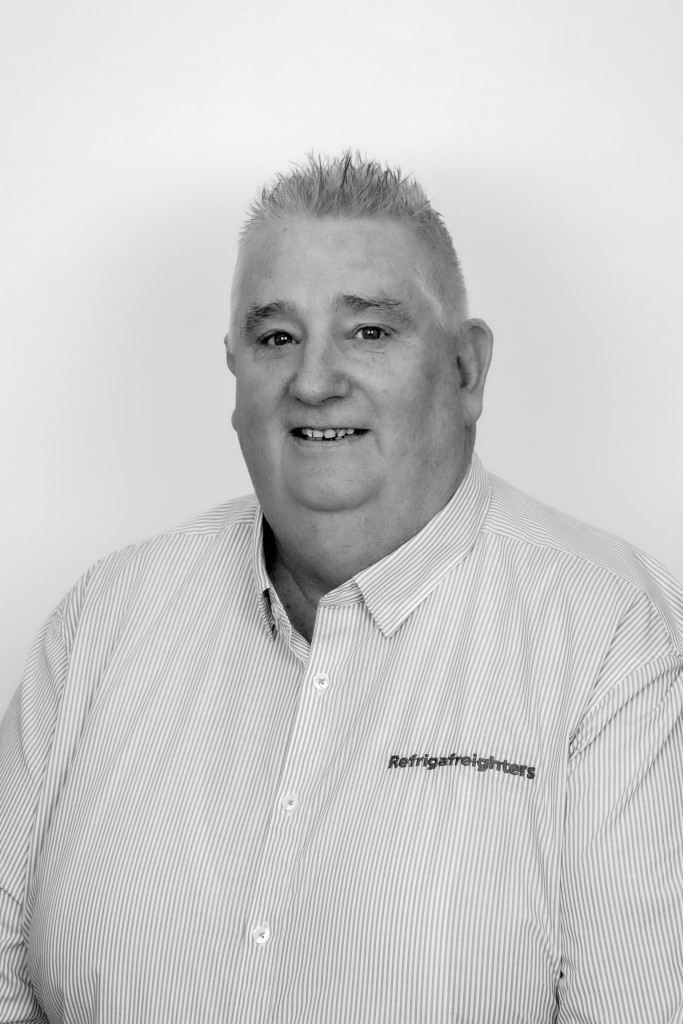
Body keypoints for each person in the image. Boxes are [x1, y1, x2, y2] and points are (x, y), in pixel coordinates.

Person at [1, 151, 681, 1024]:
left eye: (368, 331)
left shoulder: (614, 640)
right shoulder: (106, 616)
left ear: (466, 370)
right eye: (276, 338)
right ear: (234, 374)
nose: (314, 381)